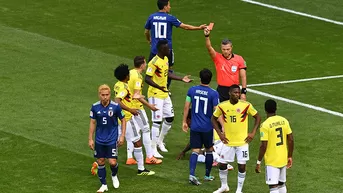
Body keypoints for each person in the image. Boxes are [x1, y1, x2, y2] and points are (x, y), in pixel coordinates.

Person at [145, 39, 192, 158]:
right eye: (167, 48)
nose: (169, 50)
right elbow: (147, 78)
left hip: (164, 93)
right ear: (161, 49)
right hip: (155, 94)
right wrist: (158, 86)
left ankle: (160, 141)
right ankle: (153, 147)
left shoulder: (165, 59)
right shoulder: (153, 62)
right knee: (157, 121)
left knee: (170, 118)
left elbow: (167, 74)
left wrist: (181, 79)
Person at [144, 0, 206, 90]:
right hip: (167, 50)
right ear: (165, 7)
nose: (170, 7)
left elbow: (146, 31)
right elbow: (185, 27)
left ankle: (153, 88)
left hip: (154, 49)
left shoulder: (151, 17)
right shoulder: (170, 18)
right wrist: (199, 28)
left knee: (151, 70)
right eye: (169, 5)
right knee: (168, 70)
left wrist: (149, 40)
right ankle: (165, 88)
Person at [211, 84, 261, 193]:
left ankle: (239, 190)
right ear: (230, 93)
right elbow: (213, 119)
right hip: (228, 142)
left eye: (238, 93)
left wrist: (253, 132)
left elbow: (258, 117)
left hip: (242, 142)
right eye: (235, 93)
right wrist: (220, 134)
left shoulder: (246, 105)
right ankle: (224, 186)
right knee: (222, 164)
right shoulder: (222, 106)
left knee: (242, 166)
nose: (237, 95)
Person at [114, 64, 155, 175]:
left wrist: (140, 98)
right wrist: (130, 109)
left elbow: (125, 98)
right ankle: (141, 169)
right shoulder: (123, 87)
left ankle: (101, 160)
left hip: (119, 119)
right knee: (137, 142)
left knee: (117, 141)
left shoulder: (118, 85)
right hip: (126, 119)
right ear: (126, 76)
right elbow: (117, 100)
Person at [182, 68, 219, 185]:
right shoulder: (213, 93)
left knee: (195, 151)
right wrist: (221, 125)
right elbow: (216, 111)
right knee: (209, 150)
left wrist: (184, 121)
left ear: (200, 78)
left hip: (195, 126)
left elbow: (187, 106)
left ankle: (191, 174)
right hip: (207, 127)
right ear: (210, 79)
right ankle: (207, 175)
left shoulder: (192, 90)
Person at [88, 84, 126, 192]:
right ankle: (104, 184)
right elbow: (92, 122)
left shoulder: (116, 107)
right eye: (103, 95)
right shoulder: (95, 107)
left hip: (112, 139)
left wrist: (122, 135)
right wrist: (90, 138)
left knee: (112, 162)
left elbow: (123, 120)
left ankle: (114, 175)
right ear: (99, 95)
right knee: (100, 161)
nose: (105, 97)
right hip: (99, 139)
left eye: (107, 95)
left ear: (110, 95)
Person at [127, 56, 162, 165]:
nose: (146, 65)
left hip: (127, 105)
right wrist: (149, 105)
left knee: (131, 131)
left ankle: (129, 157)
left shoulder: (130, 72)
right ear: (142, 65)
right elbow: (137, 95)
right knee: (146, 129)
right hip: (136, 107)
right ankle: (149, 157)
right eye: (145, 63)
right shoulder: (138, 77)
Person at [255, 99, 294, 193]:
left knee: (273, 186)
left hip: (272, 161)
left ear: (265, 110)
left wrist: (258, 161)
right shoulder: (284, 120)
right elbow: (291, 139)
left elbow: (263, 145)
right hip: (283, 158)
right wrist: (289, 156)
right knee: (281, 184)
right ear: (276, 108)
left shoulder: (265, 125)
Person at [204, 28, 247, 102]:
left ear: (231, 48)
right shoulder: (217, 58)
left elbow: (243, 77)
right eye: (224, 49)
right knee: (220, 111)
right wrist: (207, 36)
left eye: (228, 49)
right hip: (221, 91)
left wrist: (243, 92)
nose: (226, 51)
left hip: (234, 90)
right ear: (221, 48)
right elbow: (209, 47)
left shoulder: (239, 59)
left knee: (235, 111)